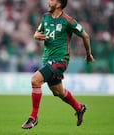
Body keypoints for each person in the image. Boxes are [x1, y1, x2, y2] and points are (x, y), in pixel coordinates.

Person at [21, 0, 95, 129]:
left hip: (60, 61)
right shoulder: (45, 17)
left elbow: (85, 36)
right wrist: (36, 36)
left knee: (35, 80)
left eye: (52, 0)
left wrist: (88, 54)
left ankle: (33, 117)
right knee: (58, 92)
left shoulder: (68, 21)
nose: (49, 1)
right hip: (47, 60)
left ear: (59, 4)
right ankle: (79, 108)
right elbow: (37, 33)